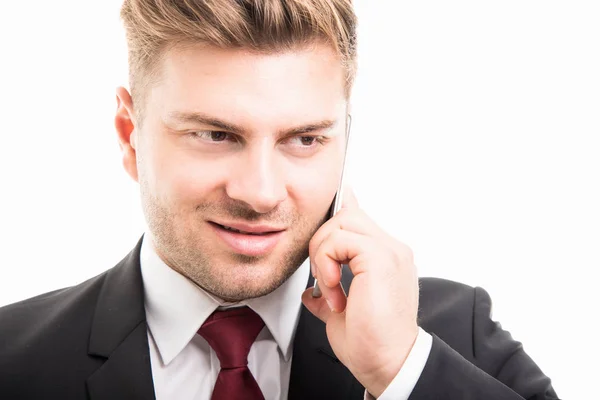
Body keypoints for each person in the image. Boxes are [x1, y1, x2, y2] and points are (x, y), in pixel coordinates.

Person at [0, 1, 558, 399]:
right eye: (215, 135)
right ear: (130, 136)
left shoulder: (450, 339)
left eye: (305, 139)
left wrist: (398, 371)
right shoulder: (12, 361)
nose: (261, 193)